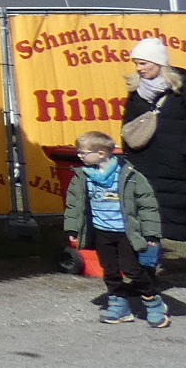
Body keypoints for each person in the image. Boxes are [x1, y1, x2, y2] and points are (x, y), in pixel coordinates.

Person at [119, 36, 186, 294]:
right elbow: (129, 128)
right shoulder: (136, 93)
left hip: (180, 170)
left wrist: (185, 153)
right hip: (145, 168)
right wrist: (131, 158)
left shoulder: (185, 90)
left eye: (143, 63)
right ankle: (147, 276)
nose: (139, 68)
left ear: (158, 62)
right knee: (149, 223)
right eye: (136, 63)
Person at [63, 129, 168, 327]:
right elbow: (74, 205)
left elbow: (147, 206)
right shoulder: (82, 176)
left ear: (101, 153)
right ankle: (119, 305)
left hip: (126, 232)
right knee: (110, 270)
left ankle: (153, 301)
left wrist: (151, 233)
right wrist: (73, 229)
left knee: (132, 269)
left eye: (83, 152)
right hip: (101, 232)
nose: (79, 155)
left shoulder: (131, 176)